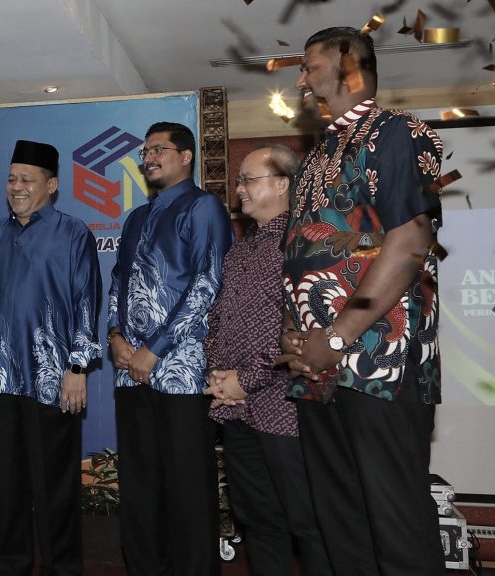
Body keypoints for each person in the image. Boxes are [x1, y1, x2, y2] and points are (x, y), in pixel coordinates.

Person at [279, 26, 445, 576]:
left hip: (381, 363)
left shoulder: (397, 131)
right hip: (318, 368)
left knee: (396, 526)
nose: (301, 80)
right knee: (340, 523)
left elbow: (411, 238)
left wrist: (336, 336)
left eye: (309, 66)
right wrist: (294, 335)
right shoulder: (314, 157)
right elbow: (301, 257)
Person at [0, 140, 102, 576]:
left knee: (54, 487)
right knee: (5, 486)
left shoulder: (73, 233)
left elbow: (87, 302)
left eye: (27, 179)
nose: (16, 186)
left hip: (52, 381)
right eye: (11, 178)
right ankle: (11, 566)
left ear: (51, 185)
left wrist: (77, 367)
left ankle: (62, 568)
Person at [106, 121, 232, 576]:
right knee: (139, 488)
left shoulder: (203, 207)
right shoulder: (136, 218)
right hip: (129, 371)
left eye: (159, 149)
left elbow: (207, 284)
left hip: (182, 371)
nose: (149, 158)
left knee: (187, 489)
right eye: (145, 152)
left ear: (186, 156)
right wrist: (115, 337)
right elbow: (118, 282)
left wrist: (154, 348)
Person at [204, 145, 333, 576]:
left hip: (285, 410)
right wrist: (219, 376)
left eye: (248, 179)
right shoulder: (239, 251)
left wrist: (247, 378)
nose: (238, 189)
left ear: (282, 184)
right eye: (239, 180)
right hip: (237, 409)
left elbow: (302, 332)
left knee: (307, 523)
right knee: (258, 520)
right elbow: (217, 320)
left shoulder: (303, 244)